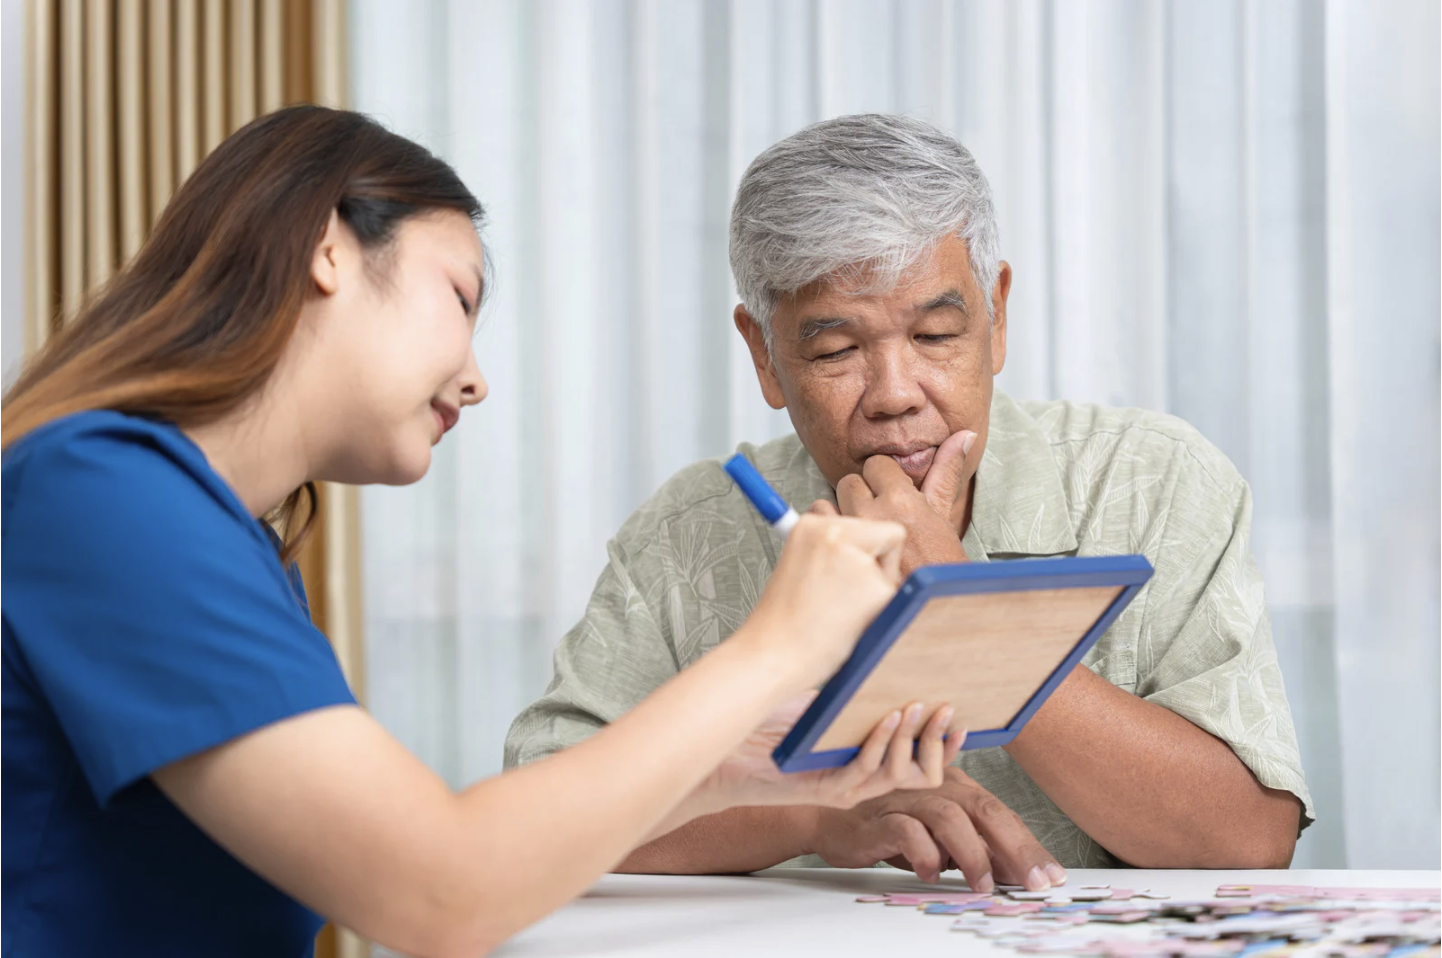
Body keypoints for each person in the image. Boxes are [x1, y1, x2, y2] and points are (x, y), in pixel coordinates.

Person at [0, 106, 961, 958]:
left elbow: (439, 852)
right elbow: (441, 891)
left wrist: (745, 775)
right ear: (327, 249)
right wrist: (778, 642)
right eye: (460, 299)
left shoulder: (218, 535)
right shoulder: (102, 497)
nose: (475, 378)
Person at [505, 113, 1313, 889]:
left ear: (996, 316)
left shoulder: (1153, 479)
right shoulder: (691, 532)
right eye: (836, 349)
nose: (895, 394)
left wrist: (963, 609)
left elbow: (1248, 840)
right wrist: (811, 811)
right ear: (765, 355)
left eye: (934, 337)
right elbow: (532, 823)